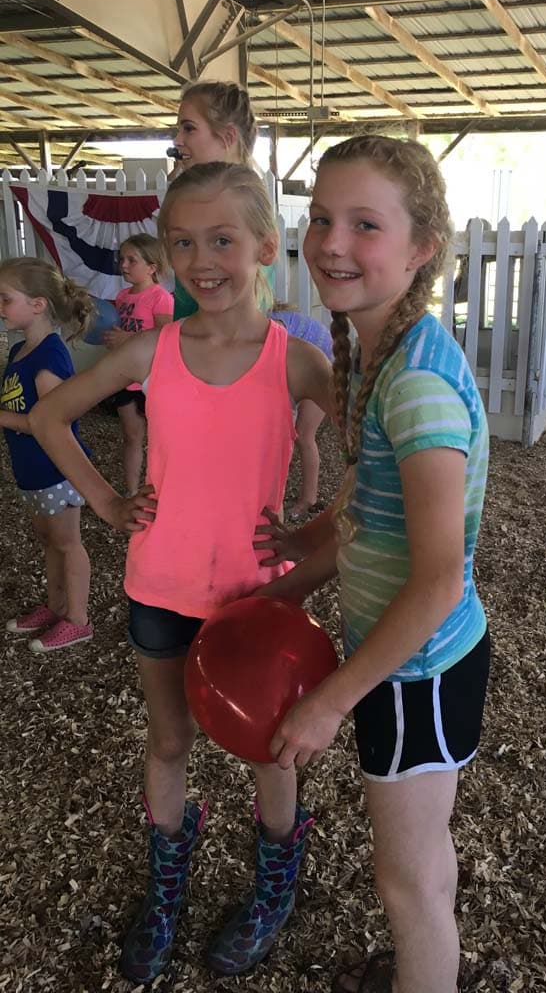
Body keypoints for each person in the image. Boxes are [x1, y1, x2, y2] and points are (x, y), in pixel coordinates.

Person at [29, 162, 334, 983]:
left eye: (224, 240)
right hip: (160, 586)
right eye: (185, 241)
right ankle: (167, 888)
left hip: (256, 599)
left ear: (267, 247)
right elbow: (50, 417)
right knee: (169, 740)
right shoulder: (150, 348)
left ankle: (275, 883)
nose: (204, 259)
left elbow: (386, 469)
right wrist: (104, 503)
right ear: (166, 251)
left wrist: (312, 544)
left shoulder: (295, 361)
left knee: (270, 750)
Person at [253, 136, 491, 993]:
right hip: (404, 662)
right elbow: (368, 509)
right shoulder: (372, 353)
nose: (331, 243)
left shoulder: (415, 383)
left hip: (414, 671)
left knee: (409, 878)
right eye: (321, 219)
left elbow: (438, 581)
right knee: (423, 860)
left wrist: (329, 699)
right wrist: (307, 557)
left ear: (422, 247)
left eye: (365, 225)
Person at [0, 257, 94, 651]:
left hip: (57, 469)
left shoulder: (50, 356)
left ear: (38, 304)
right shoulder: (20, 350)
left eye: (5, 299)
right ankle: (55, 607)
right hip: (32, 469)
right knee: (47, 538)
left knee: (67, 542)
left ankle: (78, 619)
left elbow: (51, 423)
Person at [169, 79, 268, 321]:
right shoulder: (195, 199)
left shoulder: (239, 201)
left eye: (189, 129)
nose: (178, 140)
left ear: (227, 136)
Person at [103, 234, 173, 495]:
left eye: (132, 260)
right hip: (124, 377)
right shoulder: (122, 296)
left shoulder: (160, 297)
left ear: (152, 267)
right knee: (131, 437)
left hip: (151, 378)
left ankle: (162, 489)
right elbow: (119, 333)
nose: (123, 265)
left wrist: (127, 339)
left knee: (160, 441)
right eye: (122, 259)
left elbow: (166, 338)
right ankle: (132, 493)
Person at [269, 308, 332, 520]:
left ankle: (308, 499)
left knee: (303, 435)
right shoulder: (264, 329)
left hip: (325, 365)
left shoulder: (273, 332)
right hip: (307, 363)